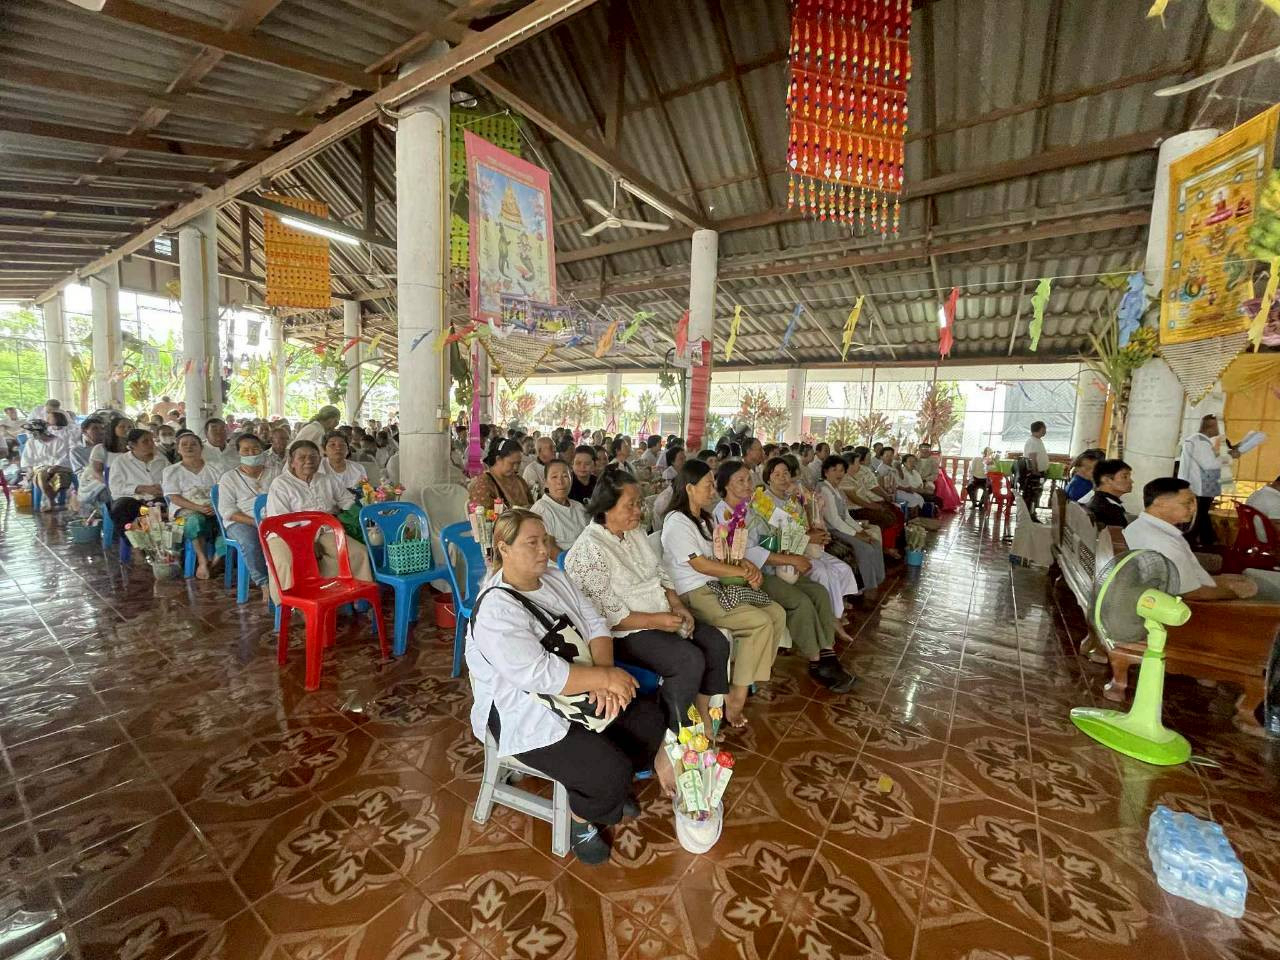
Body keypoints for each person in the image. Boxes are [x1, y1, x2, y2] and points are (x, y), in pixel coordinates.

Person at [467, 509, 673, 865]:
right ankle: (582, 820)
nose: (543, 549)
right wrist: (604, 679)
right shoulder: (495, 609)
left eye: (544, 540)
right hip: (524, 710)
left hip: (579, 683)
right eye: (531, 543)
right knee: (608, 771)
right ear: (504, 548)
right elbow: (536, 674)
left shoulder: (555, 579)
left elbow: (595, 623)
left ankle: (604, 791)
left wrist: (605, 674)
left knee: (648, 719)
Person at [565, 469, 730, 733]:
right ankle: (676, 729)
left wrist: (677, 605)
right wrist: (658, 621)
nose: (638, 511)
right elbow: (606, 617)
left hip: (661, 613)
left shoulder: (635, 532)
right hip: (624, 633)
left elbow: (659, 572)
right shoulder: (588, 550)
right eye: (630, 505)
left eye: (638, 503)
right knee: (688, 659)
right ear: (607, 507)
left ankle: (701, 706)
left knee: (715, 643)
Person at [661, 459, 785, 728]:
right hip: (694, 594)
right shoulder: (677, 523)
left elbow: (719, 555)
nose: (712, 490)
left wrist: (745, 565)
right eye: (707, 485)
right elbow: (700, 564)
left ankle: (747, 676)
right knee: (759, 623)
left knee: (776, 613)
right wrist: (741, 573)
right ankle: (736, 697)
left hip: (714, 586)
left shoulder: (702, 519)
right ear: (690, 488)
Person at [714, 460, 857, 690]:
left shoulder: (753, 506)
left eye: (749, 479)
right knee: (800, 602)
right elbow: (748, 551)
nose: (748, 484)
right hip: (751, 576)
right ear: (726, 486)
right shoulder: (724, 514)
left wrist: (794, 545)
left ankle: (828, 653)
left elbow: (774, 534)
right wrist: (790, 559)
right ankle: (815, 660)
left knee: (819, 592)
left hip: (775, 567)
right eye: (740, 481)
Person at [262, 440, 374, 604]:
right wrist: (307, 543)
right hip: (285, 535)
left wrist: (365, 513)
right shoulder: (281, 484)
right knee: (287, 562)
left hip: (323, 531)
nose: (308, 461)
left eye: (313, 457)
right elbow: (281, 521)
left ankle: (354, 594)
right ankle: (291, 604)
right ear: (292, 462)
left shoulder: (327, 479)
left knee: (358, 552)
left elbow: (347, 501)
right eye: (302, 457)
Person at [757, 457, 861, 623]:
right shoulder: (764, 502)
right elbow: (778, 534)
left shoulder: (791, 498)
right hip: (786, 553)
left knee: (842, 568)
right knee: (824, 573)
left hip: (805, 546)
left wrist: (816, 533)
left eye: (786, 473)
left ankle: (835, 610)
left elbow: (804, 524)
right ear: (768, 478)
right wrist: (808, 538)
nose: (783, 478)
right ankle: (831, 618)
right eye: (777, 474)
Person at [1123, 477, 1256, 601]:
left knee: (1243, 579)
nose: (1193, 509)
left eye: (1194, 503)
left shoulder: (1141, 526)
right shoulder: (1161, 541)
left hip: (1189, 587)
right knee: (1252, 588)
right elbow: (1192, 593)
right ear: (1160, 503)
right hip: (1189, 605)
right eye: (1187, 503)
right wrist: (1236, 593)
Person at [815, 456, 887, 595]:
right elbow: (835, 520)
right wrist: (857, 535)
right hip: (832, 530)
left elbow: (846, 516)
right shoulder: (824, 490)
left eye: (842, 470)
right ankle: (868, 587)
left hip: (842, 527)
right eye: (834, 470)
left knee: (875, 542)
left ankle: (878, 580)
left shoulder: (838, 490)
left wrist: (861, 531)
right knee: (865, 549)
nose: (838, 473)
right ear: (825, 472)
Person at [217, 433, 278, 595]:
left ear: (263, 451)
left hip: (273, 517)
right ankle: (264, 583)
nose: (251, 453)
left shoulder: (275, 472)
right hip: (241, 520)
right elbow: (227, 511)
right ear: (239, 453)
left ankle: (284, 579)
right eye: (246, 450)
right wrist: (256, 523)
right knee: (251, 540)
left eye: (256, 449)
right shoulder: (229, 478)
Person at [161, 433, 222, 580]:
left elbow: (224, 492)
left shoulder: (215, 468)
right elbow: (174, 497)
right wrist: (198, 507)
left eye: (193, 444)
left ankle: (215, 561)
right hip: (186, 511)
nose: (189, 447)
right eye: (184, 444)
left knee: (230, 524)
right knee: (195, 520)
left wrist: (216, 507)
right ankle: (201, 559)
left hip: (215, 509)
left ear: (201, 448)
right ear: (178, 449)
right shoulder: (171, 471)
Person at [1177, 414, 1240, 549]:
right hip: (1198, 488)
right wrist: (1230, 456)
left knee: (1201, 517)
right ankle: (1200, 544)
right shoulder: (1200, 442)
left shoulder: (1200, 441)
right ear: (1212, 427)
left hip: (1200, 488)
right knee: (1197, 518)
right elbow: (1210, 464)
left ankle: (1208, 541)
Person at [840, 447, 903, 557]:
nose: (859, 466)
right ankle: (885, 548)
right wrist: (874, 506)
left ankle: (886, 546)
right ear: (849, 464)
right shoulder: (845, 478)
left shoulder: (853, 475)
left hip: (862, 506)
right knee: (886, 517)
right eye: (856, 463)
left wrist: (877, 504)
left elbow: (865, 494)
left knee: (891, 514)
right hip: (854, 511)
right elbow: (856, 500)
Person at [107, 428, 168, 528]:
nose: (151, 444)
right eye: (145, 441)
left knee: (167, 506)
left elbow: (172, 479)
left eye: (152, 440)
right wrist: (141, 488)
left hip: (159, 500)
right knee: (120, 507)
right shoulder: (120, 462)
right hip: (135, 503)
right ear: (132, 445)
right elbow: (115, 487)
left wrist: (162, 489)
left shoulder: (161, 459)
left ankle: (156, 537)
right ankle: (134, 540)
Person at [531, 460, 588, 555]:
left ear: (571, 479)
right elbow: (550, 548)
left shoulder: (578, 507)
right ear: (545, 482)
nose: (560, 482)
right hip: (558, 566)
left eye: (565, 476)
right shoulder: (542, 509)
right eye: (554, 477)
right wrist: (576, 566)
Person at [19, 417, 72, 511]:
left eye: (31, 432)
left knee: (45, 473)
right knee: (41, 474)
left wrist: (53, 468)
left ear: (38, 431)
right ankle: (51, 500)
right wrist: (30, 471)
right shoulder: (31, 443)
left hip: (60, 468)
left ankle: (48, 500)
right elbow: (27, 460)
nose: (29, 434)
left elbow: (64, 458)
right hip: (40, 469)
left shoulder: (59, 441)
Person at [468, 438, 533, 509]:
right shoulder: (483, 483)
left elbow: (532, 506)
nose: (516, 468)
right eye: (512, 463)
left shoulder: (519, 481)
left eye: (518, 463)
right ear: (498, 459)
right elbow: (482, 514)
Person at [1088, 459, 1133, 528]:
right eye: (1125, 477)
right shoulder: (1108, 510)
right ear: (1106, 480)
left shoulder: (1100, 500)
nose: (1131, 481)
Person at [1021, 420, 1049, 515]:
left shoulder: (1037, 440)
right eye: (1044, 428)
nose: (1045, 430)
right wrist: (1035, 471)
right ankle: (1029, 514)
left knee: (1037, 493)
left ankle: (1032, 512)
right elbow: (1032, 457)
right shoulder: (1033, 441)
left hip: (1039, 473)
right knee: (1032, 494)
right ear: (1040, 429)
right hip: (1035, 474)